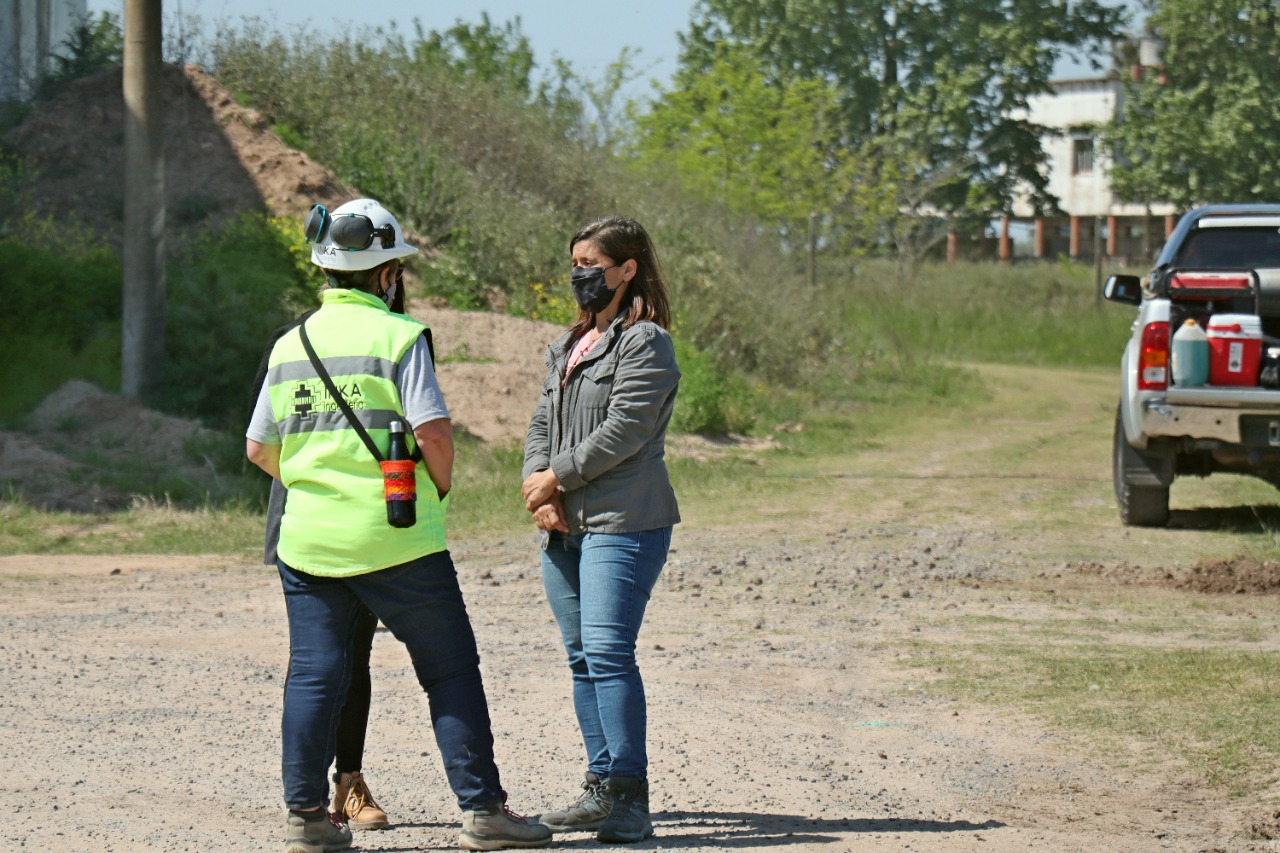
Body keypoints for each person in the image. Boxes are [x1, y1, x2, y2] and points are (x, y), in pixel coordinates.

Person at [246, 198, 552, 853]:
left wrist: (315, 485)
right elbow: (434, 434)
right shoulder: (399, 337)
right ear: (385, 273)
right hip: (398, 534)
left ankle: (307, 820)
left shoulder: (287, 344)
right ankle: (484, 812)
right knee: (448, 669)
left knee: (313, 673)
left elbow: (258, 449)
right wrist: (436, 486)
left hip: (309, 542)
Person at [521, 216, 680, 844]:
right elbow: (541, 422)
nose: (580, 275)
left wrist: (555, 478)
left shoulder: (646, 345)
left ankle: (629, 797)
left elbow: (625, 431)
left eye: (592, 263)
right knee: (582, 657)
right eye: (575, 263)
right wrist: (539, 486)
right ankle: (599, 785)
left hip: (624, 522)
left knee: (610, 653)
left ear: (627, 269)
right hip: (562, 526)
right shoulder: (568, 344)